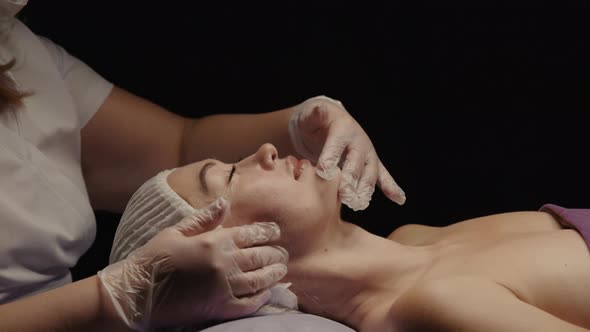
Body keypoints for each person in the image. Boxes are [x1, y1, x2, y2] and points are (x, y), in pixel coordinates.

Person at [0, 1, 406, 331]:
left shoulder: (14, 49)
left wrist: (297, 127)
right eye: (227, 174)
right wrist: (115, 298)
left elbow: (177, 148)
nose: (267, 149)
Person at [112, 143, 590, 332]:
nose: (265, 148)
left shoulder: (414, 237)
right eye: (230, 175)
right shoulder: (433, 305)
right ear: (228, 254)